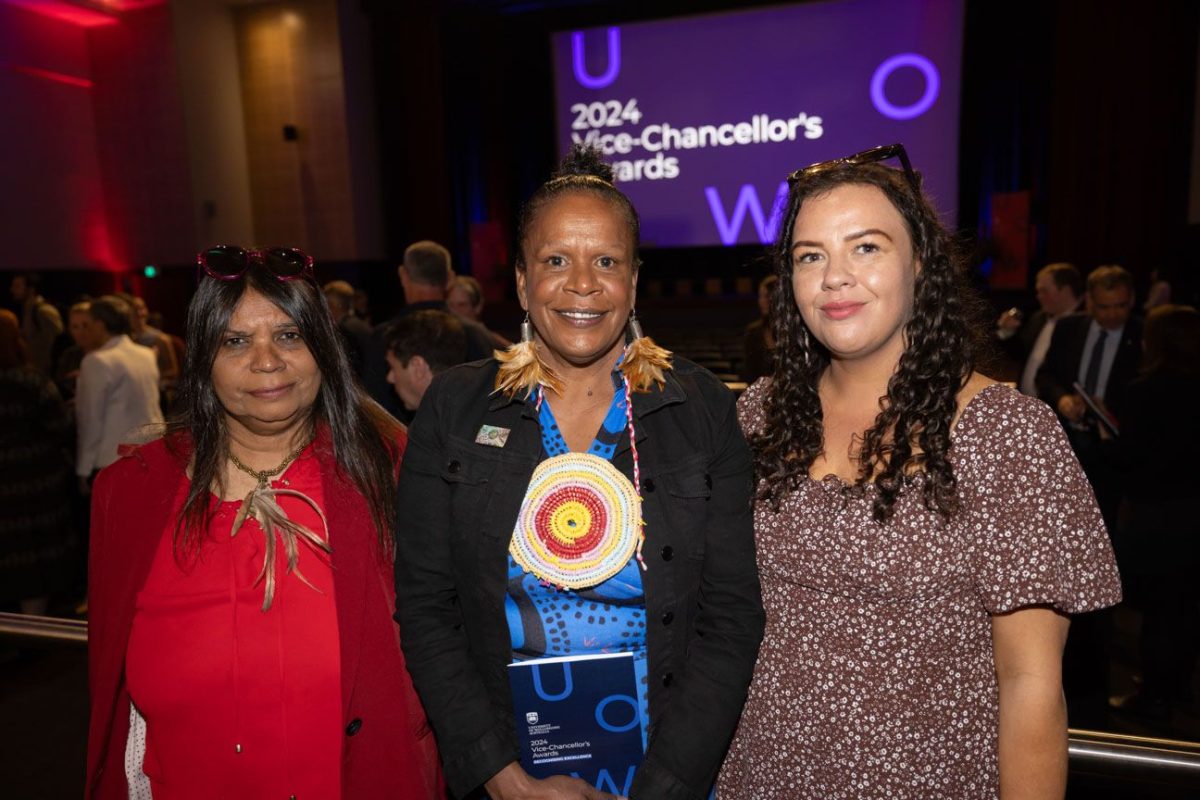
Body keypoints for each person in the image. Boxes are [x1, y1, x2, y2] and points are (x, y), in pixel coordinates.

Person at [716, 144, 1121, 799]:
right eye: (810, 255)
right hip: (761, 777)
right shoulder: (758, 414)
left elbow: (1032, 687)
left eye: (867, 248)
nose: (835, 277)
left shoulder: (1006, 434)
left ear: (921, 265)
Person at [394, 147, 764, 800]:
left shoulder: (701, 408)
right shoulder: (454, 409)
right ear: (519, 279)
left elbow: (730, 619)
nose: (583, 284)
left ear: (634, 277)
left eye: (607, 262)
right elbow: (427, 610)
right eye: (556, 260)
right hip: (509, 768)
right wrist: (503, 780)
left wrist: (666, 786)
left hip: (671, 765)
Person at [86, 246, 443, 799]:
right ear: (203, 356)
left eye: (289, 335)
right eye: (235, 341)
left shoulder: (392, 473)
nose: (266, 361)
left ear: (322, 349)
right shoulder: (131, 495)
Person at [1109, 305, 1200, 722]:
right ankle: (1178, 688)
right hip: (1192, 513)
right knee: (1185, 608)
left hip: (1157, 516)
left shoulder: (1145, 390)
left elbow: (1131, 459)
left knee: (1159, 611)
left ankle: (1154, 695)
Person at [1035, 264, 1142, 525]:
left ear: (1132, 300)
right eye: (1105, 307)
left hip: (1114, 454)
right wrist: (1062, 399)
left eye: (1121, 305)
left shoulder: (1142, 335)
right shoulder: (1069, 328)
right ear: (1090, 302)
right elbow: (1045, 376)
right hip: (1067, 443)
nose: (1114, 314)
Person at [363, 241, 497, 419]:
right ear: (450, 279)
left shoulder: (383, 338)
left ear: (403, 275)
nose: (391, 377)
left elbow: (373, 409)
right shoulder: (476, 334)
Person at [0, 309, 74, 616]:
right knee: (35, 558)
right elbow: (59, 426)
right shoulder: (30, 380)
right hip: (35, 482)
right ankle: (36, 630)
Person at [75, 295, 164, 489]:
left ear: (99, 324)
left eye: (88, 324)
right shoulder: (146, 354)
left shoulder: (97, 361)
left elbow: (91, 420)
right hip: (152, 453)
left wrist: (83, 468)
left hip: (114, 459)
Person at [994, 262, 1084, 395]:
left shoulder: (1084, 326)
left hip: (1059, 409)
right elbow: (1018, 354)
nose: (1039, 296)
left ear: (1065, 291)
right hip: (1026, 404)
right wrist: (1006, 332)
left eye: (1044, 291)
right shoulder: (1039, 318)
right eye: (1038, 291)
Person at [384, 308, 467, 412]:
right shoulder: (477, 411)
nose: (390, 378)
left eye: (392, 367)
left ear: (418, 367)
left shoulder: (440, 423)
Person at [9, 271, 63, 377]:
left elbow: (55, 345)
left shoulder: (43, 311)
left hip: (45, 375)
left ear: (31, 289)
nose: (12, 290)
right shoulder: (28, 310)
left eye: (17, 286)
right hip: (34, 373)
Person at [323, 279, 372, 377]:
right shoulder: (361, 325)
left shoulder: (344, 331)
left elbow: (349, 370)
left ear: (332, 305)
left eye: (325, 304)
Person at [449, 274, 513, 348]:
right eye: (450, 305)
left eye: (462, 305)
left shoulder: (491, 342)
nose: (454, 311)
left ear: (478, 307)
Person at [740, 275, 778, 381]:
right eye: (760, 296)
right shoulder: (753, 332)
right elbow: (749, 372)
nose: (761, 301)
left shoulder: (796, 331)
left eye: (766, 296)